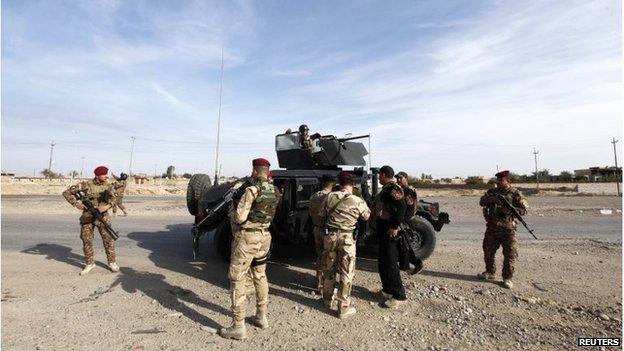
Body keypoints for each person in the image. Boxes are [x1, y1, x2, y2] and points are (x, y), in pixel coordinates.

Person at [220, 158, 280, 340]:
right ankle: (261, 317)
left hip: (247, 238)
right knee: (260, 275)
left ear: (255, 171)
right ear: (267, 172)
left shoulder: (252, 190)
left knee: (237, 278)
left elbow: (239, 217)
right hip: (264, 237)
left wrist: (234, 211)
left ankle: (238, 327)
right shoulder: (275, 191)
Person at [318, 171, 370, 318]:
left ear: (339, 183)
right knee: (346, 272)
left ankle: (327, 300)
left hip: (331, 237)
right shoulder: (356, 200)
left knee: (328, 269)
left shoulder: (330, 197)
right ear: (352, 184)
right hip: (347, 239)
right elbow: (367, 216)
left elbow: (321, 214)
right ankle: (343, 308)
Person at [62, 166, 119, 275]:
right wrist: (76, 204)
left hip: (102, 216)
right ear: (97, 175)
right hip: (88, 215)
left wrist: (106, 207)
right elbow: (66, 193)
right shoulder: (85, 185)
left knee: (108, 239)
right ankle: (89, 263)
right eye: (104, 174)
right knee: (86, 239)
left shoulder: (109, 186)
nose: (107, 176)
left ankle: (112, 262)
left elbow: (115, 199)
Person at [478, 170, 528, 289]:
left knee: (509, 254)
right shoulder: (492, 192)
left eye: (501, 180)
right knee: (488, 251)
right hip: (492, 227)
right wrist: (491, 200)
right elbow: (482, 202)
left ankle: (507, 278)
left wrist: (510, 210)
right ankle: (490, 272)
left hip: (508, 229)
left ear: (508, 181)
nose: (499, 182)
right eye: (498, 180)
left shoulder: (515, 193)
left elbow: (524, 210)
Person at [373, 165, 407, 308]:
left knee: (391, 263)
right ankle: (387, 289)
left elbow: (401, 207)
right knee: (383, 261)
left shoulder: (393, 189)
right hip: (383, 229)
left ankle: (399, 296)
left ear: (384, 174)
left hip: (389, 230)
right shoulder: (386, 189)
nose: (378, 178)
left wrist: (394, 226)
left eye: (379, 175)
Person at [308, 174, 336, 292]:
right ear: (333, 184)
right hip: (328, 231)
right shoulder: (332, 197)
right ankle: (327, 285)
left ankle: (319, 282)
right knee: (330, 258)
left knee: (320, 256)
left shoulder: (314, 196)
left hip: (317, 229)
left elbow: (310, 212)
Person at [394, 171, 424, 275]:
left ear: (406, 178)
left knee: (404, 244)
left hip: (404, 221)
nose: (398, 180)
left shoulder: (407, 190)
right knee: (403, 244)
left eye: (400, 178)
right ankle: (408, 264)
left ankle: (411, 264)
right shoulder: (404, 189)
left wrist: (403, 220)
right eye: (397, 178)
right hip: (403, 220)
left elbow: (410, 208)